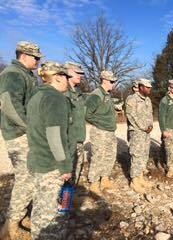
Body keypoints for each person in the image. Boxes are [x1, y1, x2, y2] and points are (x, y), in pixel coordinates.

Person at [0, 41, 43, 239]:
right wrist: (31, 127)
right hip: (19, 135)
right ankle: (10, 227)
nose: (39, 61)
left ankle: (22, 215)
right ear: (24, 55)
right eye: (36, 57)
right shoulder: (12, 74)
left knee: (32, 177)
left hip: (27, 133)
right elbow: (10, 106)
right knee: (25, 179)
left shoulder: (27, 75)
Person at [26, 61, 72, 239]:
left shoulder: (36, 96)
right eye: (66, 77)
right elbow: (55, 135)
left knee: (41, 205)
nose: (67, 81)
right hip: (50, 163)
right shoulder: (55, 98)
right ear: (58, 77)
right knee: (52, 213)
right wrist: (64, 166)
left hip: (37, 159)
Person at [85, 70, 117, 195]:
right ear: (104, 80)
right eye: (111, 81)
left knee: (110, 155)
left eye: (114, 81)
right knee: (98, 157)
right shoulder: (96, 95)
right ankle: (94, 182)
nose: (113, 84)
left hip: (109, 132)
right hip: (100, 131)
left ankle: (105, 178)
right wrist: (101, 123)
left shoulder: (107, 95)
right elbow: (87, 114)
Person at [125, 78, 153, 193]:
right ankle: (134, 181)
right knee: (136, 155)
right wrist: (143, 127)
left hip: (146, 133)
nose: (149, 89)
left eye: (150, 87)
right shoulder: (132, 99)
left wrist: (150, 125)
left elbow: (150, 114)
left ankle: (140, 178)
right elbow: (131, 116)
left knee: (144, 154)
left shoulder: (148, 100)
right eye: (147, 87)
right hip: (137, 132)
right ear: (141, 87)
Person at [64, 62, 86, 184]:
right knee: (65, 172)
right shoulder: (63, 91)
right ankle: (62, 200)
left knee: (76, 168)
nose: (81, 76)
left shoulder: (78, 92)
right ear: (69, 72)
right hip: (67, 140)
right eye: (78, 73)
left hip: (78, 138)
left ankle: (70, 197)